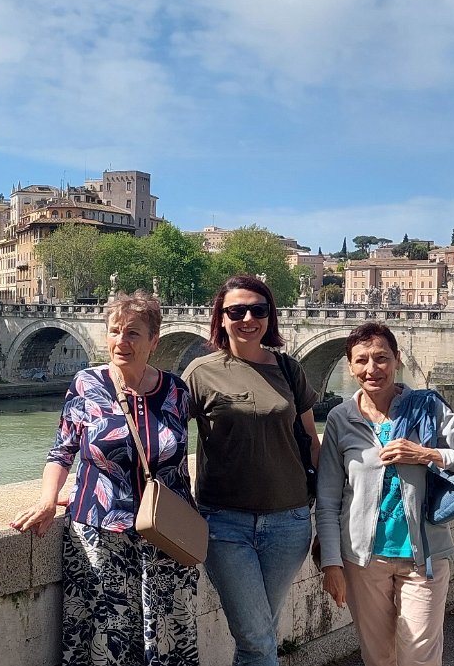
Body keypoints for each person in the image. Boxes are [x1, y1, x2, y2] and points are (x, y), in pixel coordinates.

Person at [9, 291, 199, 665]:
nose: (121, 341)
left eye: (133, 333)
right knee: (107, 641)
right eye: (114, 331)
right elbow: (62, 451)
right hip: (100, 535)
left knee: (168, 641)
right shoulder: (87, 384)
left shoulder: (176, 390)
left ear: (154, 341)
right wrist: (48, 499)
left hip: (167, 537)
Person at [315, 321, 454, 666]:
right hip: (362, 560)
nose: (372, 369)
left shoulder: (427, 408)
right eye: (361, 360)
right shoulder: (340, 419)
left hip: (424, 557)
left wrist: (428, 454)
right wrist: (331, 564)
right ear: (350, 366)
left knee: (418, 658)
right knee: (378, 657)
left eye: (381, 358)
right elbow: (327, 500)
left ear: (397, 360)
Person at [182, 274, 321, 666]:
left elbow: (312, 442)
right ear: (220, 318)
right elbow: (166, 440)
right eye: (237, 311)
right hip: (224, 523)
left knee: (259, 633)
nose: (248, 319)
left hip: (290, 521)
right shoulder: (200, 373)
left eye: (258, 310)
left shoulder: (289, 370)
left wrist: (332, 515)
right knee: (257, 636)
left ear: (270, 317)